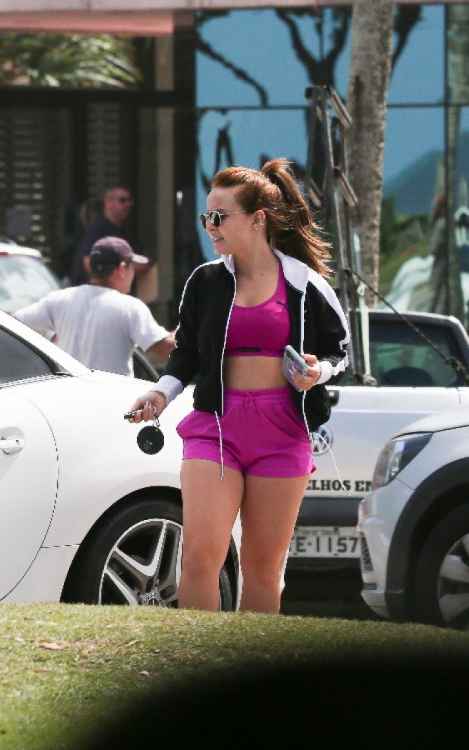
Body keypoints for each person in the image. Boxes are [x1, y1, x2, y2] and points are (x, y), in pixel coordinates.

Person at [126, 158, 350, 614]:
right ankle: (198, 652)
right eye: (206, 216)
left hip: (282, 430)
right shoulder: (206, 281)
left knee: (263, 568)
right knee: (199, 558)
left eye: (219, 216)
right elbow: (187, 352)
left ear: (257, 219)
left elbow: (340, 352)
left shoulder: (304, 283)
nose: (210, 226)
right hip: (216, 426)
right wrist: (161, 392)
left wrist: (318, 371)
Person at [14, 236, 176, 377]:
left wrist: (49, 338)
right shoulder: (129, 307)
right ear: (122, 269)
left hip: (67, 397)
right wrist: (187, 326)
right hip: (111, 399)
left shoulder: (58, 300)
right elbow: (167, 350)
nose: (133, 274)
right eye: (132, 268)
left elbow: (12, 323)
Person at [69, 185, 135, 286]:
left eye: (130, 201)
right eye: (122, 200)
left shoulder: (123, 232)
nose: (128, 204)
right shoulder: (98, 229)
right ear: (108, 202)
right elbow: (88, 262)